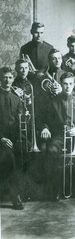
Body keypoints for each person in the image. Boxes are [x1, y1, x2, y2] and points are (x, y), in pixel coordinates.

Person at [40, 72, 75, 201]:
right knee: (51, 151)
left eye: (70, 83)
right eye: (65, 83)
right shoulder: (52, 101)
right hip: (59, 137)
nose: (67, 86)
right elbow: (44, 120)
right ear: (61, 84)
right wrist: (45, 128)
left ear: (74, 84)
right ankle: (55, 189)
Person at [0, 67, 24, 210]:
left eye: (10, 77)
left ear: (13, 79)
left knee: (25, 151)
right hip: (1, 139)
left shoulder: (17, 99)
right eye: (4, 77)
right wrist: (1, 138)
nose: (7, 80)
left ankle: (25, 192)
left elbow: (20, 123)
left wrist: (18, 139)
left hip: (13, 138)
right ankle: (15, 196)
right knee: (9, 156)